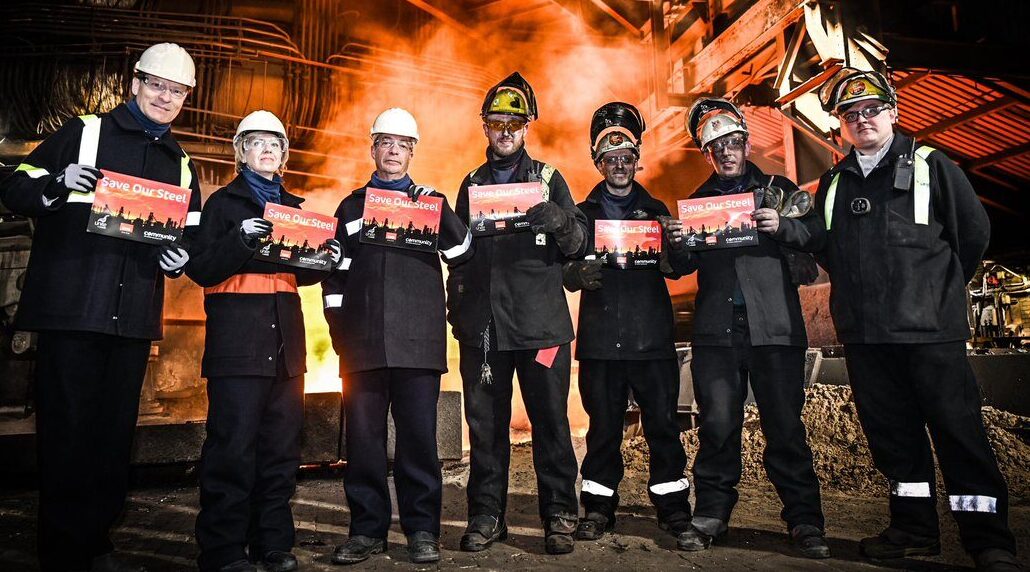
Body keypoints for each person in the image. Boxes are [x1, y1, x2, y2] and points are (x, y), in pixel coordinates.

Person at [782, 67, 1018, 571]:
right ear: (841, 126)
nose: (862, 119)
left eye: (871, 109)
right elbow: (819, 241)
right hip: (867, 338)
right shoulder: (836, 181)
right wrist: (780, 227)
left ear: (892, 112)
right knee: (894, 438)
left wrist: (938, 293)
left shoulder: (932, 164)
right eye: (851, 113)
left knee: (959, 433)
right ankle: (913, 530)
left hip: (930, 333)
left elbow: (972, 233)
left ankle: (989, 542)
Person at [0, 42, 201, 572]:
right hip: (73, 313)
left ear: (185, 99)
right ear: (135, 83)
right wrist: (56, 183)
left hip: (132, 320)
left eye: (176, 90)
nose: (165, 96)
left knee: (114, 440)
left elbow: (191, 237)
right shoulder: (84, 132)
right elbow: (15, 187)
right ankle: (64, 552)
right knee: (67, 435)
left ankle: (96, 541)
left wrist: (179, 259)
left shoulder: (180, 164)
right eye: (157, 85)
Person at [659, 97, 829, 558]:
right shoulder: (696, 205)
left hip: (774, 330)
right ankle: (711, 514)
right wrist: (675, 244)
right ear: (707, 154)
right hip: (718, 334)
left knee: (785, 427)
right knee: (717, 426)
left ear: (746, 143)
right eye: (717, 148)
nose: (727, 153)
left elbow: (817, 235)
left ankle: (805, 521)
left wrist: (783, 227)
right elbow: (678, 270)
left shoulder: (779, 189)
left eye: (733, 143)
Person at [187, 110, 339, 572]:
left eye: (275, 143)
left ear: (284, 155)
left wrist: (324, 260)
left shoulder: (294, 209)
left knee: (279, 453)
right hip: (238, 351)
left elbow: (298, 274)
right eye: (257, 142)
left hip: (284, 352)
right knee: (231, 451)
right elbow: (201, 268)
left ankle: (272, 543)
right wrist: (240, 239)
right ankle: (224, 550)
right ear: (241, 153)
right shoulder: (221, 206)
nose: (268, 149)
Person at [322, 108, 473, 566]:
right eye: (385, 142)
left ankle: (422, 530)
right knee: (364, 446)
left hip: (418, 346)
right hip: (363, 345)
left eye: (402, 144)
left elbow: (462, 251)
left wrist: (439, 208)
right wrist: (340, 331)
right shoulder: (350, 208)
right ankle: (367, 531)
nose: (392, 151)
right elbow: (335, 278)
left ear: (412, 152)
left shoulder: (430, 205)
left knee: (418, 444)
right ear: (373, 148)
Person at [446, 72, 588, 555]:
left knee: (550, 422)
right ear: (484, 127)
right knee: (485, 426)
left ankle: (559, 515)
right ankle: (487, 516)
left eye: (514, 123)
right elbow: (458, 251)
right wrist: (457, 309)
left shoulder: (549, 179)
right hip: (485, 329)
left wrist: (562, 220)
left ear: (527, 128)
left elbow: (579, 243)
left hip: (541, 326)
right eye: (496, 122)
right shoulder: (470, 184)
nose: (505, 131)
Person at [562, 102, 693, 542]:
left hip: (651, 342)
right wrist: (575, 274)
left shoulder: (658, 211)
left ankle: (673, 509)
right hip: (600, 345)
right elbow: (564, 268)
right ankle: (598, 509)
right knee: (602, 431)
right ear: (598, 163)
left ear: (637, 161)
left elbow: (679, 269)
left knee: (662, 427)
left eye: (626, 158)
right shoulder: (582, 214)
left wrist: (677, 244)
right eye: (610, 159)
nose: (619, 165)